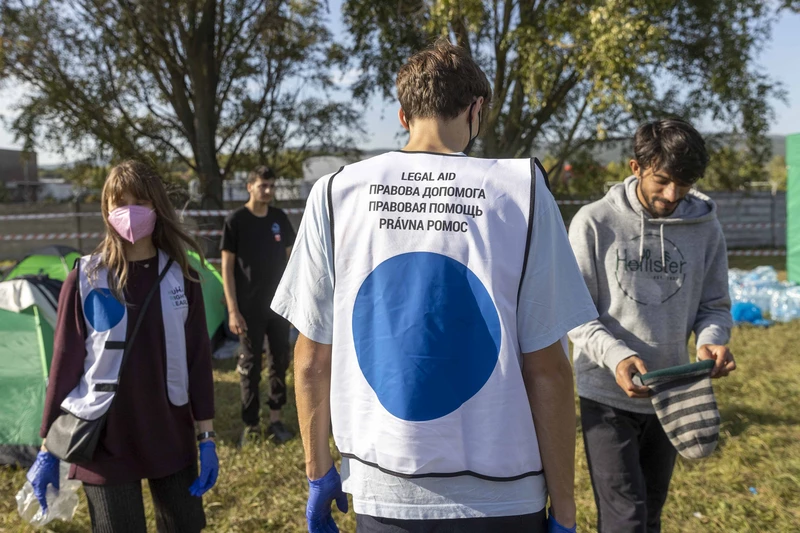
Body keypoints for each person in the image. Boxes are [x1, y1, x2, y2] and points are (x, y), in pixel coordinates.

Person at [271, 39, 599, 533]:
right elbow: (548, 369)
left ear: (404, 115)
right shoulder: (523, 191)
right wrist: (567, 511)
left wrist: (318, 474)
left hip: (386, 487)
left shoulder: (337, 193)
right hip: (506, 492)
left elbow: (311, 357)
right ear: (476, 109)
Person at [27, 160, 218, 532]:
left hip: (169, 431)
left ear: (157, 207)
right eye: (119, 203)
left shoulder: (182, 274)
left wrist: (207, 436)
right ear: (107, 211)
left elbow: (198, 359)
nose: (129, 211)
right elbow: (64, 363)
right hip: (104, 438)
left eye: (140, 201)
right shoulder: (86, 277)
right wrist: (48, 445)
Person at [568, 118, 736, 533]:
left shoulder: (704, 227)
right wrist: (618, 356)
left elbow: (714, 305)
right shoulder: (594, 223)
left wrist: (711, 341)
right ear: (635, 167)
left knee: (651, 514)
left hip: (674, 390)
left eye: (685, 182)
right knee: (626, 519)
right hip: (606, 395)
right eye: (662, 180)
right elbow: (574, 313)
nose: (673, 194)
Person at [220, 165, 296, 445]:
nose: (268, 191)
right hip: (248, 310)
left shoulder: (279, 218)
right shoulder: (236, 220)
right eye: (263, 185)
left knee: (280, 362)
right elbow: (226, 269)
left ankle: (276, 420)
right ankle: (250, 425)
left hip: (278, 308)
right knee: (250, 366)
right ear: (249, 186)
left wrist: (294, 299)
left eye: (271, 186)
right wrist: (232, 310)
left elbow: (292, 261)